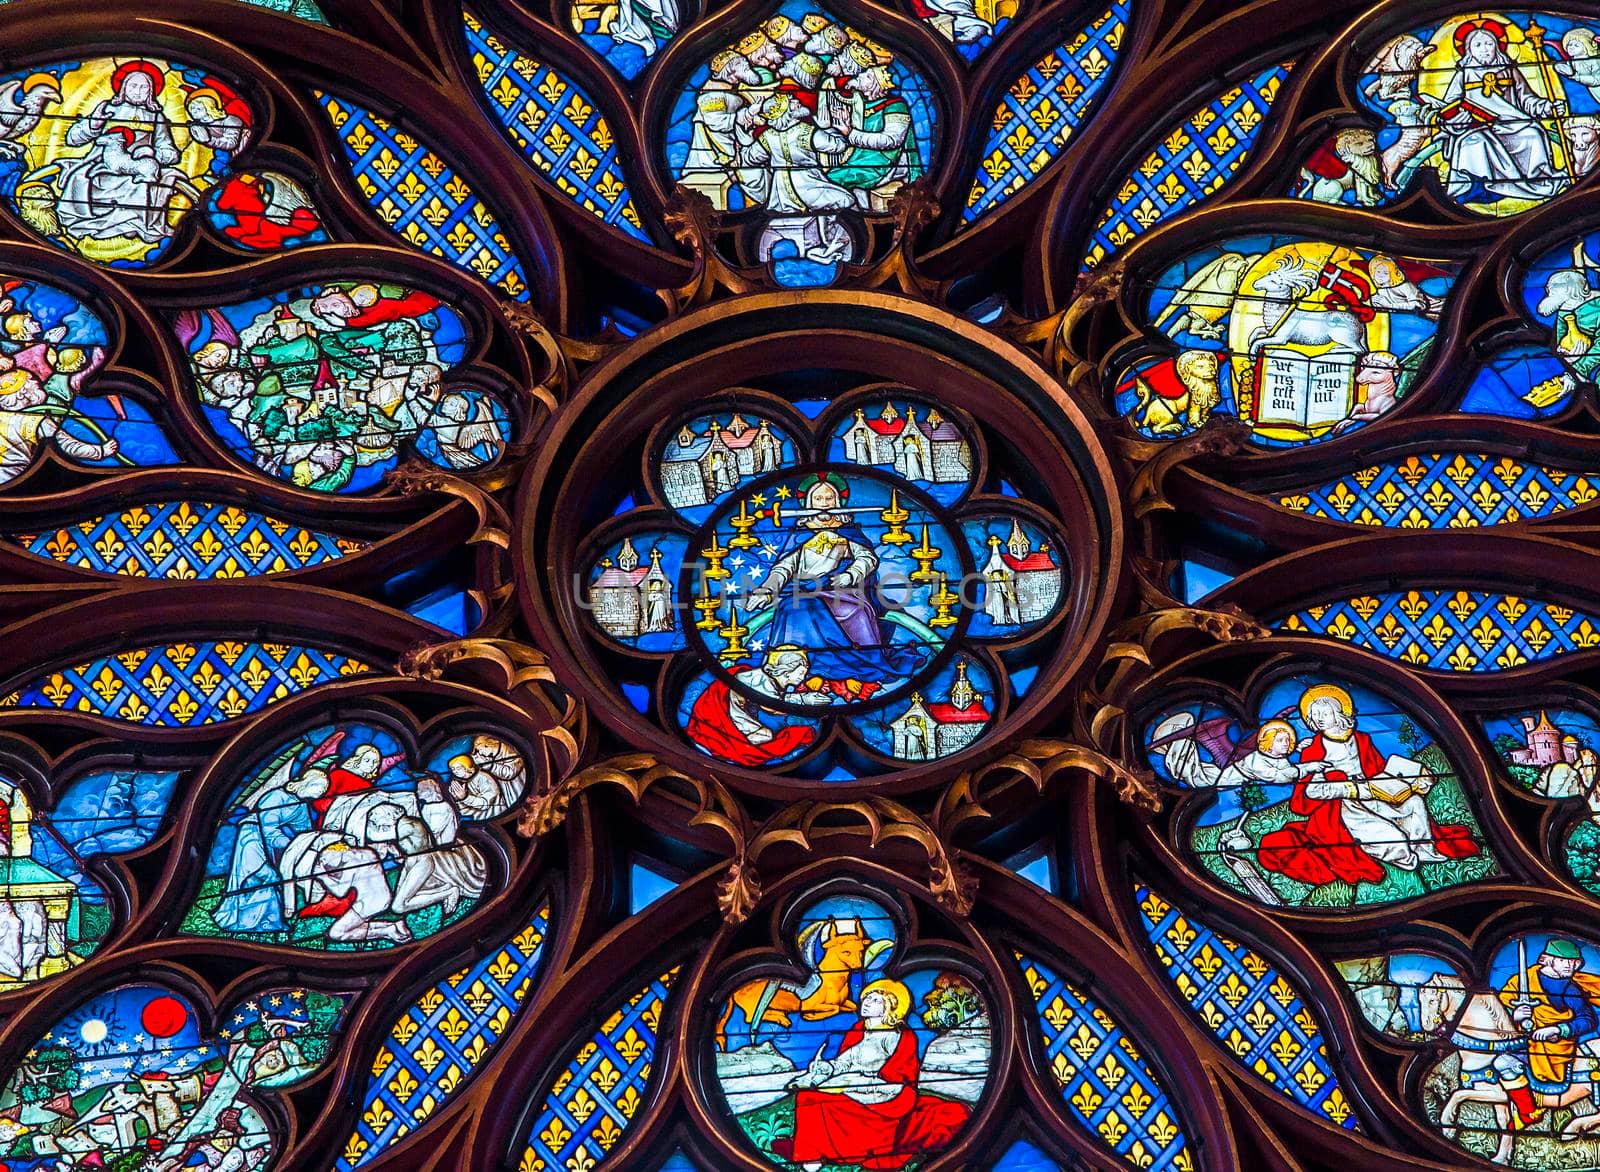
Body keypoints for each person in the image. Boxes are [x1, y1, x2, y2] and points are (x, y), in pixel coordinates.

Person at [1255, 684, 1480, 887]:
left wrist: (1414, 779)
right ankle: (1406, 857)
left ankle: (1425, 849)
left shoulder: (1361, 739)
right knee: (1393, 838)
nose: (1319, 718)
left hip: (1375, 794)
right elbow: (1310, 792)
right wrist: (1345, 786)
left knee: (1414, 802)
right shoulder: (1313, 750)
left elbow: (1380, 769)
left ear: (1338, 711)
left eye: (1324, 712)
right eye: (1314, 715)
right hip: (1343, 807)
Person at [745, 474, 926, 692]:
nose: (824, 504)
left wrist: (848, 576)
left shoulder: (846, 531)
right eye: (818, 499)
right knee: (792, 607)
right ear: (809, 503)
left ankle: (850, 666)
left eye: (828, 499)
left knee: (856, 612)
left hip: (841, 592)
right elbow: (784, 568)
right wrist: (767, 590)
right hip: (804, 593)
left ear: (837, 502)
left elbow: (867, 559)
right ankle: (799, 667)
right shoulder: (800, 535)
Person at [778, 978, 971, 1170]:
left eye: (876, 999)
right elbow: (845, 1060)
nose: (867, 1002)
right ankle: (812, 1155)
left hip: (883, 1096)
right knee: (807, 1096)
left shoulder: (901, 1035)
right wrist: (827, 1068)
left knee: (817, 1099)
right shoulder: (858, 1029)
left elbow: (900, 1075)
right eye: (867, 997)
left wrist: (858, 1082)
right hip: (851, 1086)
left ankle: (834, 1151)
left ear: (890, 1006)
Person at [1432, 20, 1568, 204]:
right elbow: (1448, 105)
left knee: (1533, 134)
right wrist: (1456, 119)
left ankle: (1537, 179)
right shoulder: (1463, 74)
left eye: (1489, 44)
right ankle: (1477, 187)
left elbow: (1527, 99)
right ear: (1468, 49)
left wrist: (1547, 107)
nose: (1484, 49)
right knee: (1474, 143)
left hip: (1511, 124)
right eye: (1478, 45)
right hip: (1475, 127)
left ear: (1497, 46)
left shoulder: (1509, 71)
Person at [56, 61, 186, 244]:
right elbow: (73, 139)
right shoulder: (107, 108)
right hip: (100, 165)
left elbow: (167, 148)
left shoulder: (156, 116)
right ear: (124, 87)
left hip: (138, 166)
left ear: (151, 91)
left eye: (144, 87)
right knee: (80, 177)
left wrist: (159, 155)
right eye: (133, 85)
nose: (138, 91)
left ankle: (133, 225)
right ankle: (83, 221)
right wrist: (94, 123)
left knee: (140, 184)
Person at [686, 645, 832, 765]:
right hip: (730, 721)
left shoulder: (768, 679)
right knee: (764, 740)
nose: (803, 677)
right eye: (800, 673)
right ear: (786, 672)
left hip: (742, 715)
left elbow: (775, 699)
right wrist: (805, 699)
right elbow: (773, 706)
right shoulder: (758, 680)